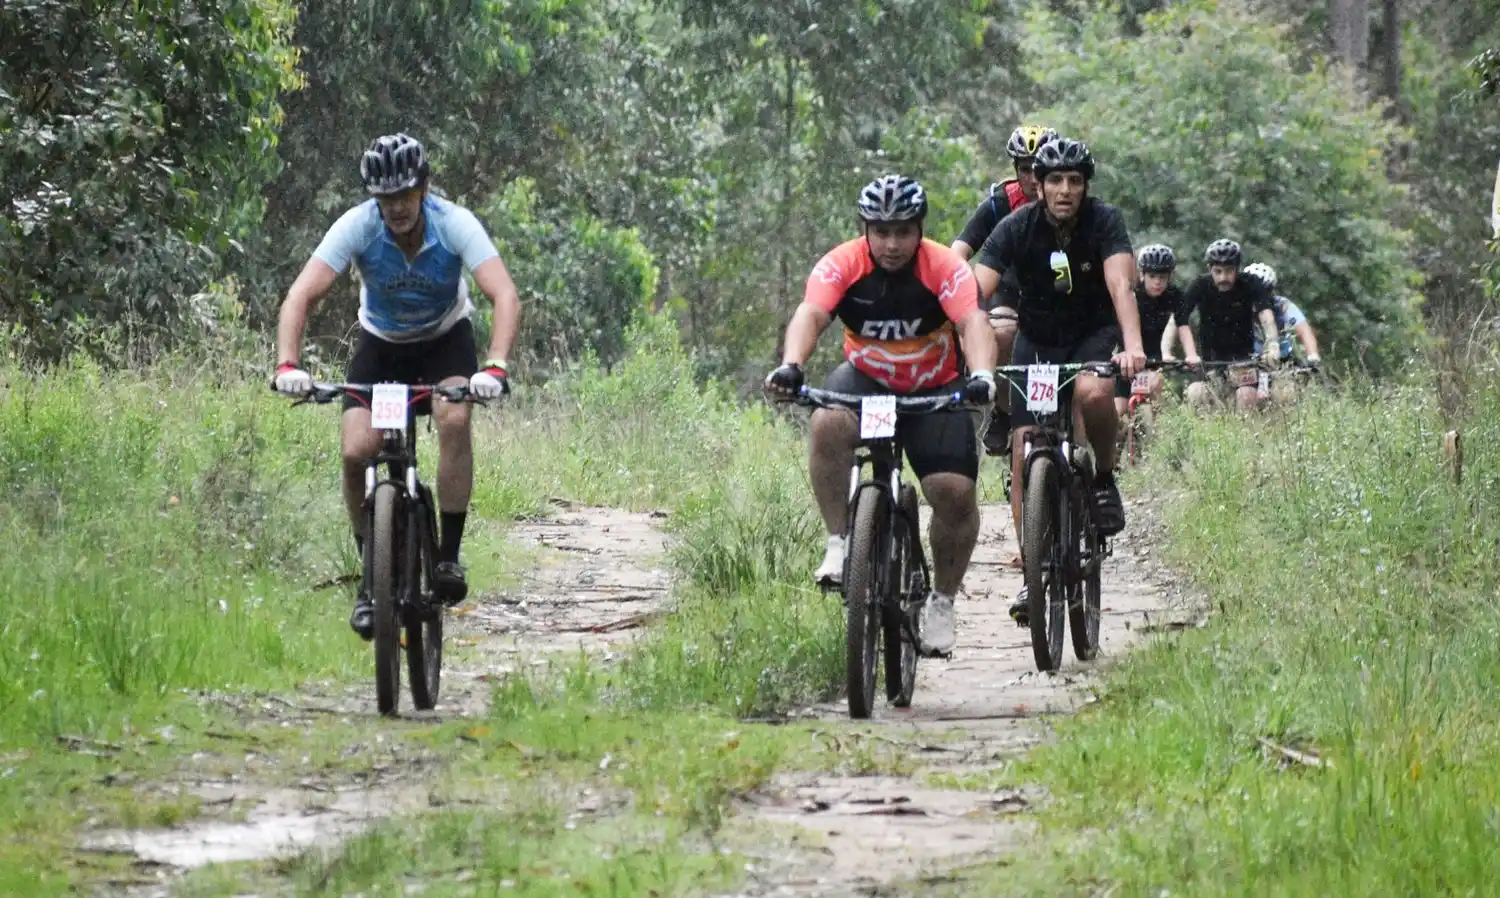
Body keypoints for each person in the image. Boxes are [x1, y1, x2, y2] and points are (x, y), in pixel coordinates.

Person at [272, 133, 522, 640]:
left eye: (406, 195)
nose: (397, 207)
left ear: (423, 189)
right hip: (381, 348)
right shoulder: (358, 226)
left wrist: (494, 366)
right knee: (355, 451)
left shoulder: (454, 224)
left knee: (454, 418)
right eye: (386, 198)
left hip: (444, 343)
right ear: (374, 198)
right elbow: (300, 296)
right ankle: (372, 579)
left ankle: (448, 555)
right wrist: (287, 365)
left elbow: (504, 295)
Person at [764, 174, 999, 657]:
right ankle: (839, 543)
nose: (892, 244)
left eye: (903, 232)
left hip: (935, 389)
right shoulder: (842, 264)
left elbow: (972, 321)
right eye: (882, 232)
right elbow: (811, 314)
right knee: (827, 422)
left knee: (954, 494)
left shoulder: (945, 267)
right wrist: (791, 365)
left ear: (920, 230)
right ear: (865, 230)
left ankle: (941, 602)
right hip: (866, 382)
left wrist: (981, 374)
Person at [969, 138, 1147, 626]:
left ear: (1085, 185)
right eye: (1054, 180)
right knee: (1025, 448)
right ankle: (1033, 573)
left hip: (1093, 335)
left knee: (1093, 393)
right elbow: (975, 288)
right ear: (1039, 185)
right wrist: (955, 330)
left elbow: (1121, 285)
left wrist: (1133, 346)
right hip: (1039, 341)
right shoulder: (1016, 225)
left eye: (1074, 180)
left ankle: (1104, 478)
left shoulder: (1104, 221)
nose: (1064, 190)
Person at [951, 125, 1059, 457]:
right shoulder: (1001, 203)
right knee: (1002, 332)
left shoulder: (1070, 200)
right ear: (1015, 170)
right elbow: (957, 253)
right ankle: (1003, 410)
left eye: (1040, 169)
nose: (1033, 178)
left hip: (1059, 291)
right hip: (1010, 289)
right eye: (1025, 169)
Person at [1173, 239, 1279, 412]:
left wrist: (1272, 343)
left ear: (1237, 269)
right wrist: (1170, 352)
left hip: (1244, 362)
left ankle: (1246, 429)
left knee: (1246, 395)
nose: (1223, 277)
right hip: (1209, 362)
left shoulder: (1251, 283)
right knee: (1196, 393)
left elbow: (1266, 315)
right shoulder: (1199, 285)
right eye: (1218, 271)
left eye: (1229, 271)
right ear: (1209, 268)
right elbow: (1178, 318)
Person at [1118, 243, 1199, 418]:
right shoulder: (1131, 293)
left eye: (1162, 277)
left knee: (1156, 388)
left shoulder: (1174, 295)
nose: (1157, 282)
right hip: (1125, 358)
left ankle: (1155, 431)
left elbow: (1183, 325)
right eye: (1152, 276)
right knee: (1118, 412)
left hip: (1152, 359)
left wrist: (1191, 355)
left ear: (1170, 276)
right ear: (1142, 274)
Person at [1243, 262, 1321, 368]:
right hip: (1247, 360)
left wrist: (1313, 356)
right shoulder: (1237, 306)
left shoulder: (1282, 305)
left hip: (1282, 360)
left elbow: (1304, 330)